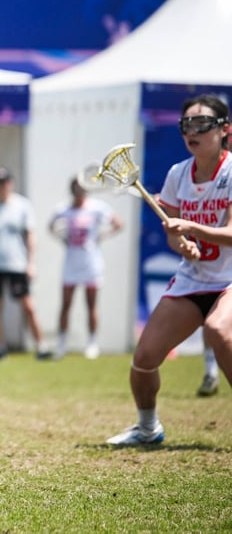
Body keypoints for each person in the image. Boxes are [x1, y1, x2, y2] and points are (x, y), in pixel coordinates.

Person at [108, 94, 232, 446]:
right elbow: (174, 236)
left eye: (201, 124)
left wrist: (191, 228)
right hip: (194, 280)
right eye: (186, 125)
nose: (192, 131)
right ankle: (148, 429)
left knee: (219, 332)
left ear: (225, 130)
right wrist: (183, 244)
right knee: (144, 358)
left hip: (229, 279)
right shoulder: (178, 174)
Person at [0, 167, 50, 361]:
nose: (2, 186)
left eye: (5, 182)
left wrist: (31, 263)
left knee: (28, 306)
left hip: (17, 264)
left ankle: (41, 346)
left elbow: (30, 237)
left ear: (11, 183)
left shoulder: (22, 206)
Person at [47, 177, 122, 360]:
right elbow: (51, 226)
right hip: (71, 264)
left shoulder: (96, 208)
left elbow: (118, 223)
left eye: (82, 190)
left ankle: (92, 343)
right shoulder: (63, 210)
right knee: (66, 304)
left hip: (91, 263)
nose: (80, 194)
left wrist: (101, 236)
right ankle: (62, 344)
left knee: (91, 304)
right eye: (76, 190)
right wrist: (62, 237)